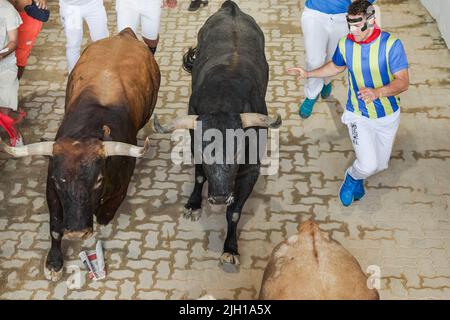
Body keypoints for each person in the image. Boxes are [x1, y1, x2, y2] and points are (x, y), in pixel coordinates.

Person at [287, 0, 409, 206]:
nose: (352, 30)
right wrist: (308, 73)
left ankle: (359, 177)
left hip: (388, 116)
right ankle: (352, 178)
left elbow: (403, 82)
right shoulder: (346, 43)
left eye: (357, 24)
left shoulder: (391, 45)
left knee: (380, 165)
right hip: (358, 114)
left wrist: (378, 93)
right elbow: (335, 67)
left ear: (371, 21)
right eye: (349, 24)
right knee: (368, 164)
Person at [297, 0, 375, 118]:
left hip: (343, 16)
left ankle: (326, 82)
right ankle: (312, 95)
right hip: (314, 14)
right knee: (314, 60)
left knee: (334, 59)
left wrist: (361, 7)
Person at [59, 0, 109, 72]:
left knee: (102, 43)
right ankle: (74, 80)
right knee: (73, 45)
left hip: (94, 4)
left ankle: (103, 75)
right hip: (71, 7)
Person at [0, 0, 24, 146]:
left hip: (5, 68)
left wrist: (1, 55)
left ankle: (14, 134)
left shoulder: (6, 9)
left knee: (4, 112)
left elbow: (14, 42)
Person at [9, 0, 50, 79]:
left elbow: (44, 16)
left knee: (20, 56)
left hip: (26, 18)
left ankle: (12, 86)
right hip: (9, 14)